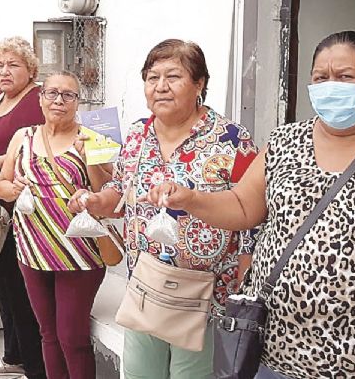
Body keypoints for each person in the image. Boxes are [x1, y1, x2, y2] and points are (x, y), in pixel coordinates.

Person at [152, 31, 355, 379]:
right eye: (320, 77)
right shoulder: (285, 142)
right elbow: (242, 207)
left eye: (345, 76)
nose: (331, 86)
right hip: (278, 358)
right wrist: (192, 199)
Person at [79, 39, 257, 379]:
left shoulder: (231, 139)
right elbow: (121, 190)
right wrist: (98, 201)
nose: (160, 86)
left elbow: (253, 211)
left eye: (173, 76)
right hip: (145, 286)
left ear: (199, 83)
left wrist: (244, 281)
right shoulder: (137, 134)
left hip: (206, 294)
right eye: (151, 77)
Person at [0, 71, 113, 379]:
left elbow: (108, 196)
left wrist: (92, 162)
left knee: (71, 337)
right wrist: (15, 187)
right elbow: (0, 186)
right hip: (32, 248)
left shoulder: (94, 137)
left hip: (80, 254)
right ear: (41, 98)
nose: (59, 100)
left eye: (68, 95)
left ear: (78, 102)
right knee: (47, 333)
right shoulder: (23, 136)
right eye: (52, 93)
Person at [0, 36, 47, 379]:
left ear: (30, 69)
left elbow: (42, 150)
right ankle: (12, 355)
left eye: (13, 64)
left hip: (24, 211)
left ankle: (34, 366)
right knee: (4, 287)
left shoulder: (37, 100)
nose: (5, 71)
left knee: (23, 291)